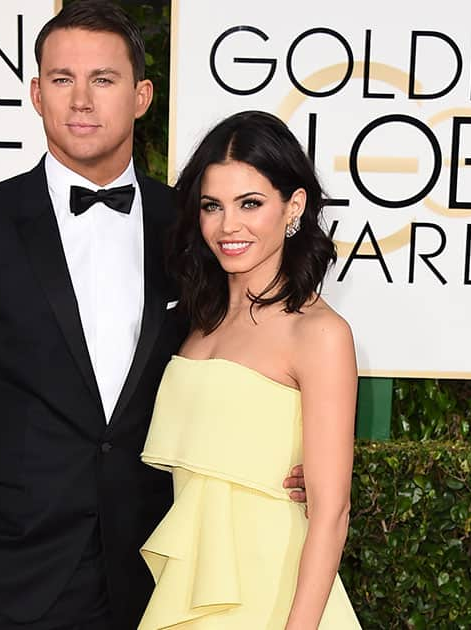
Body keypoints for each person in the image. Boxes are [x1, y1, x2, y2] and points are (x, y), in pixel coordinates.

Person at [0, 3, 305, 628]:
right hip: (2, 577)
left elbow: (256, 348)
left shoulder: (194, 227)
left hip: (159, 570)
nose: (81, 100)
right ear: (36, 93)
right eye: (62, 79)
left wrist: (285, 458)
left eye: (103, 80)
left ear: (141, 96)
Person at [137, 110, 362, 629]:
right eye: (212, 206)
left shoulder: (319, 333)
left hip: (278, 599)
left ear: (294, 207)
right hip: (190, 592)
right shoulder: (195, 321)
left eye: (251, 204)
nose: (228, 226)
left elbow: (331, 514)